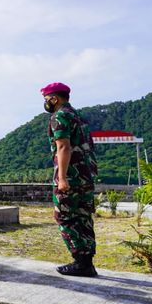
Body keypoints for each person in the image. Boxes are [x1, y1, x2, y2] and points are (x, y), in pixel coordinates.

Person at [42, 82, 98, 277]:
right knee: (83, 217)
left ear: (55, 99)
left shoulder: (59, 116)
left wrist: (63, 178)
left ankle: (80, 262)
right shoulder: (78, 117)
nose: (46, 103)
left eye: (47, 99)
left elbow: (63, 147)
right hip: (86, 176)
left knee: (64, 216)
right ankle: (86, 262)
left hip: (71, 176)